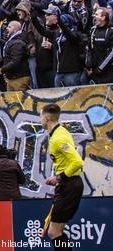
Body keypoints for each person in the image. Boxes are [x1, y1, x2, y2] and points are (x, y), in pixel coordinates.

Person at [42, 102, 84, 248]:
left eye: (41, 116)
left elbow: (77, 162)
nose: (40, 120)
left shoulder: (59, 138)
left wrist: (58, 178)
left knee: (54, 232)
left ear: (46, 118)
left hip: (69, 185)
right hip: (67, 185)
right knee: (56, 231)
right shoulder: (60, 132)